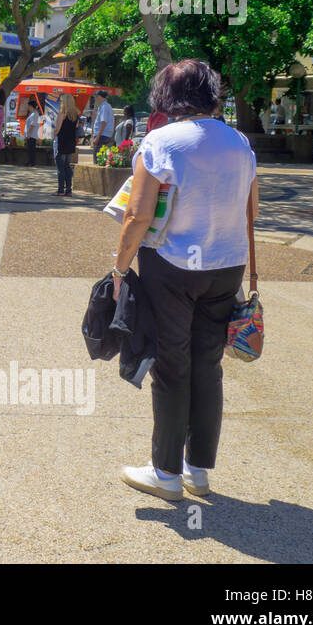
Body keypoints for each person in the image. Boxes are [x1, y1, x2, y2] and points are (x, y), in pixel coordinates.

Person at [112, 59, 258, 501]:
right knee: (207, 366)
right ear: (212, 92)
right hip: (226, 265)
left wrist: (119, 269)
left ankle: (166, 474)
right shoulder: (239, 142)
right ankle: (198, 470)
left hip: (172, 266)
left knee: (172, 366)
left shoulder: (161, 141)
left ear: (166, 97)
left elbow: (138, 214)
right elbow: (251, 211)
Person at [53, 95, 78, 196]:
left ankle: (60, 190)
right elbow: (75, 127)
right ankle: (68, 190)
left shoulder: (62, 113)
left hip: (62, 142)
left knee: (60, 167)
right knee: (67, 166)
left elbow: (57, 129)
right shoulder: (76, 114)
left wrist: (53, 134)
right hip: (71, 142)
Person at [24, 96, 41, 166]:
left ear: (31, 106)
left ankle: (32, 162)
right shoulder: (33, 114)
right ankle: (30, 161)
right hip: (31, 135)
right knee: (30, 149)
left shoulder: (34, 114)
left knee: (31, 149)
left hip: (32, 135)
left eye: (29, 106)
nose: (28, 108)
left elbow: (32, 125)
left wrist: (28, 135)